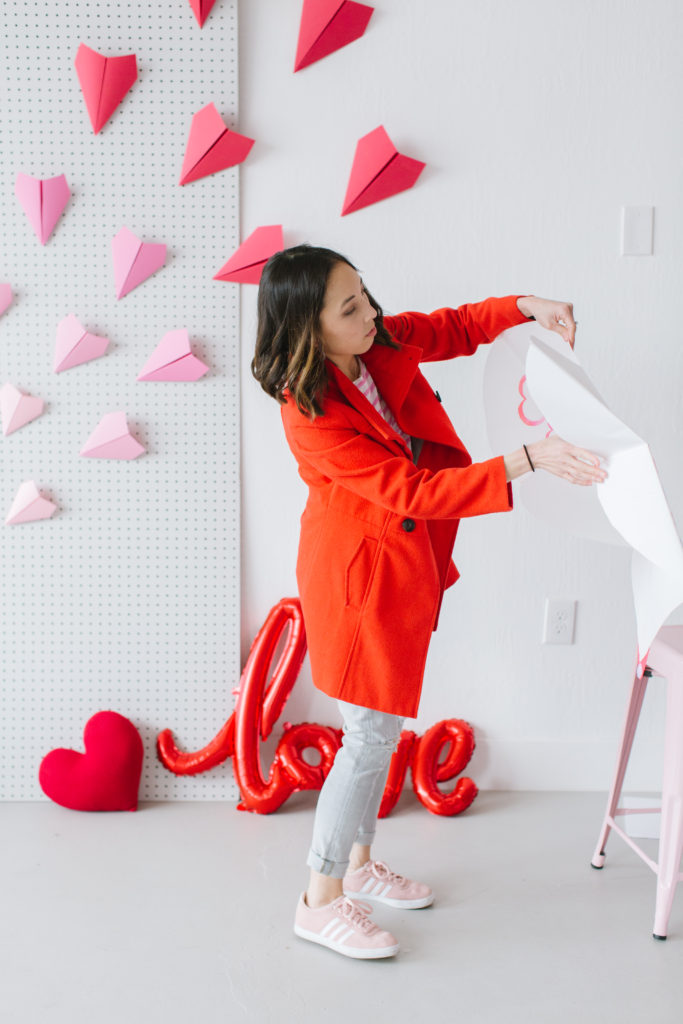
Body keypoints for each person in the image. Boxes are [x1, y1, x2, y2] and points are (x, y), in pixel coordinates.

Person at [251, 244, 606, 960]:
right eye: (349, 307)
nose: (371, 313)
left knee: (373, 725)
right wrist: (526, 458)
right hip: (357, 579)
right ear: (306, 328)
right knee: (370, 735)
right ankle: (318, 899)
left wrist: (523, 307)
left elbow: (447, 328)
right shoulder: (308, 411)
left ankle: (356, 866)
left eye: (365, 294)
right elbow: (408, 491)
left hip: (397, 560)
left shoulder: (373, 340)